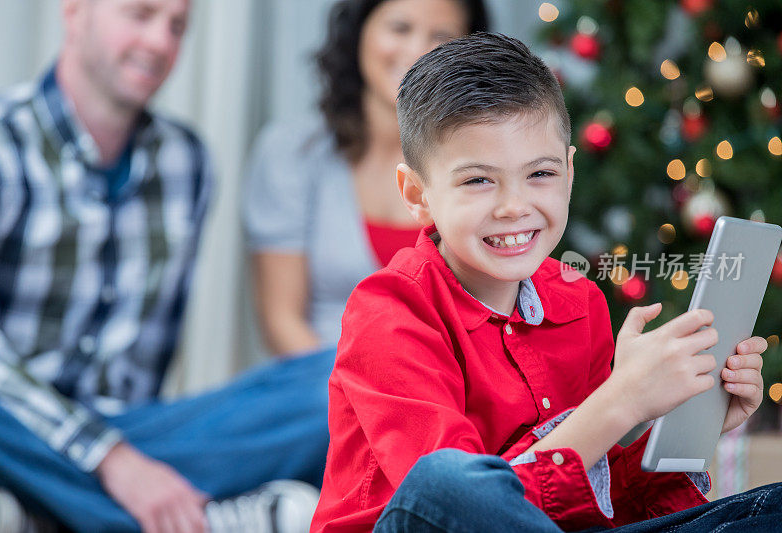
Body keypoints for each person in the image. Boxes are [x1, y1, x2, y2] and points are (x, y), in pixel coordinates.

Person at [311, 33, 781, 532]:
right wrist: (620, 400)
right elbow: (467, 507)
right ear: (417, 193)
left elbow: (592, 498)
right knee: (448, 480)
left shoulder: (580, 301)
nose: (515, 206)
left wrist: (692, 422)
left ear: (570, 171)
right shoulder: (389, 311)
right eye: (477, 180)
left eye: (540, 173)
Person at [0, 1, 329, 532]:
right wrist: (112, 460)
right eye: (140, 14)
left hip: (146, 434)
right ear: (75, 12)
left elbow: (148, 370)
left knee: (336, 379)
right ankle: (196, 521)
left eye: (176, 26)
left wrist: (132, 455)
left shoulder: (186, 163)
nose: (161, 42)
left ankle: (40, 512)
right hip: (12, 425)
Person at [243, 0, 488, 356]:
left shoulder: (483, 167)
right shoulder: (292, 153)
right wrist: (366, 403)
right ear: (359, 33)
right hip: (321, 390)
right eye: (399, 28)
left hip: (448, 394)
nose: (418, 51)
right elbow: (282, 322)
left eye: (442, 36)